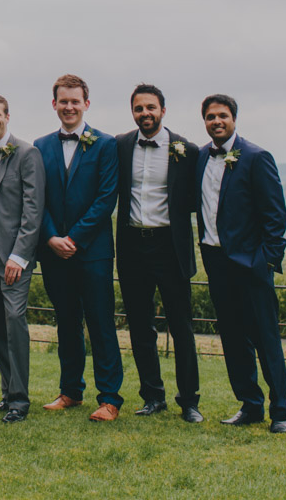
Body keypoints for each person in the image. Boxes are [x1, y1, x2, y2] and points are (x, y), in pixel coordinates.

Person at [195, 94, 286, 433]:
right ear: (204, 121)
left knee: (265, 339)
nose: (216, 121)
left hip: (251, 264)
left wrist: (265, 262)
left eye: (222, 115)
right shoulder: (201, 157)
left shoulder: (256, 157)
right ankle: (250, 405)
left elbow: (275, 217)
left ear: (234, 118)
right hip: (216, 262)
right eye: (210, 117)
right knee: (233, 339)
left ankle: (280, 411)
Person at [34, 74, 123, 422]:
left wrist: (76, 238)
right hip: (54, 250)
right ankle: (70, 391)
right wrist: (53, 237)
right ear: (54, 104)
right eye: (63, 101)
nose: (68, 107)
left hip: (94, 250)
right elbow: (36, 198)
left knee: (101, 323)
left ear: (86, 104)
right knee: (66, 323)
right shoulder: (40, 146)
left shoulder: (106, 144)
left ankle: (110, 398)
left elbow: (106, 198)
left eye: (75, 101)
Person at [114, 84, 203, 422]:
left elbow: (198, 199)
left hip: (171, 246)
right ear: (133, 112)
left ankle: (189, 401)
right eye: (139, 109)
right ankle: (152, 396)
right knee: (140, 326)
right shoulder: (121, 146)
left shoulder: (186, 150)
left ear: (163, 110)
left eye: (151, 108)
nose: (145, 114)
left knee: (181, 326)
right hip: (133, 244)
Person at [0, 94, 44, 424]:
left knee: (15, 322)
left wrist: (20, 255)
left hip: (15, 257)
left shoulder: (28, 153)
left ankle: (20, 400)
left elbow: (33, 208)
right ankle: (6, 392)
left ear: (7, 116)